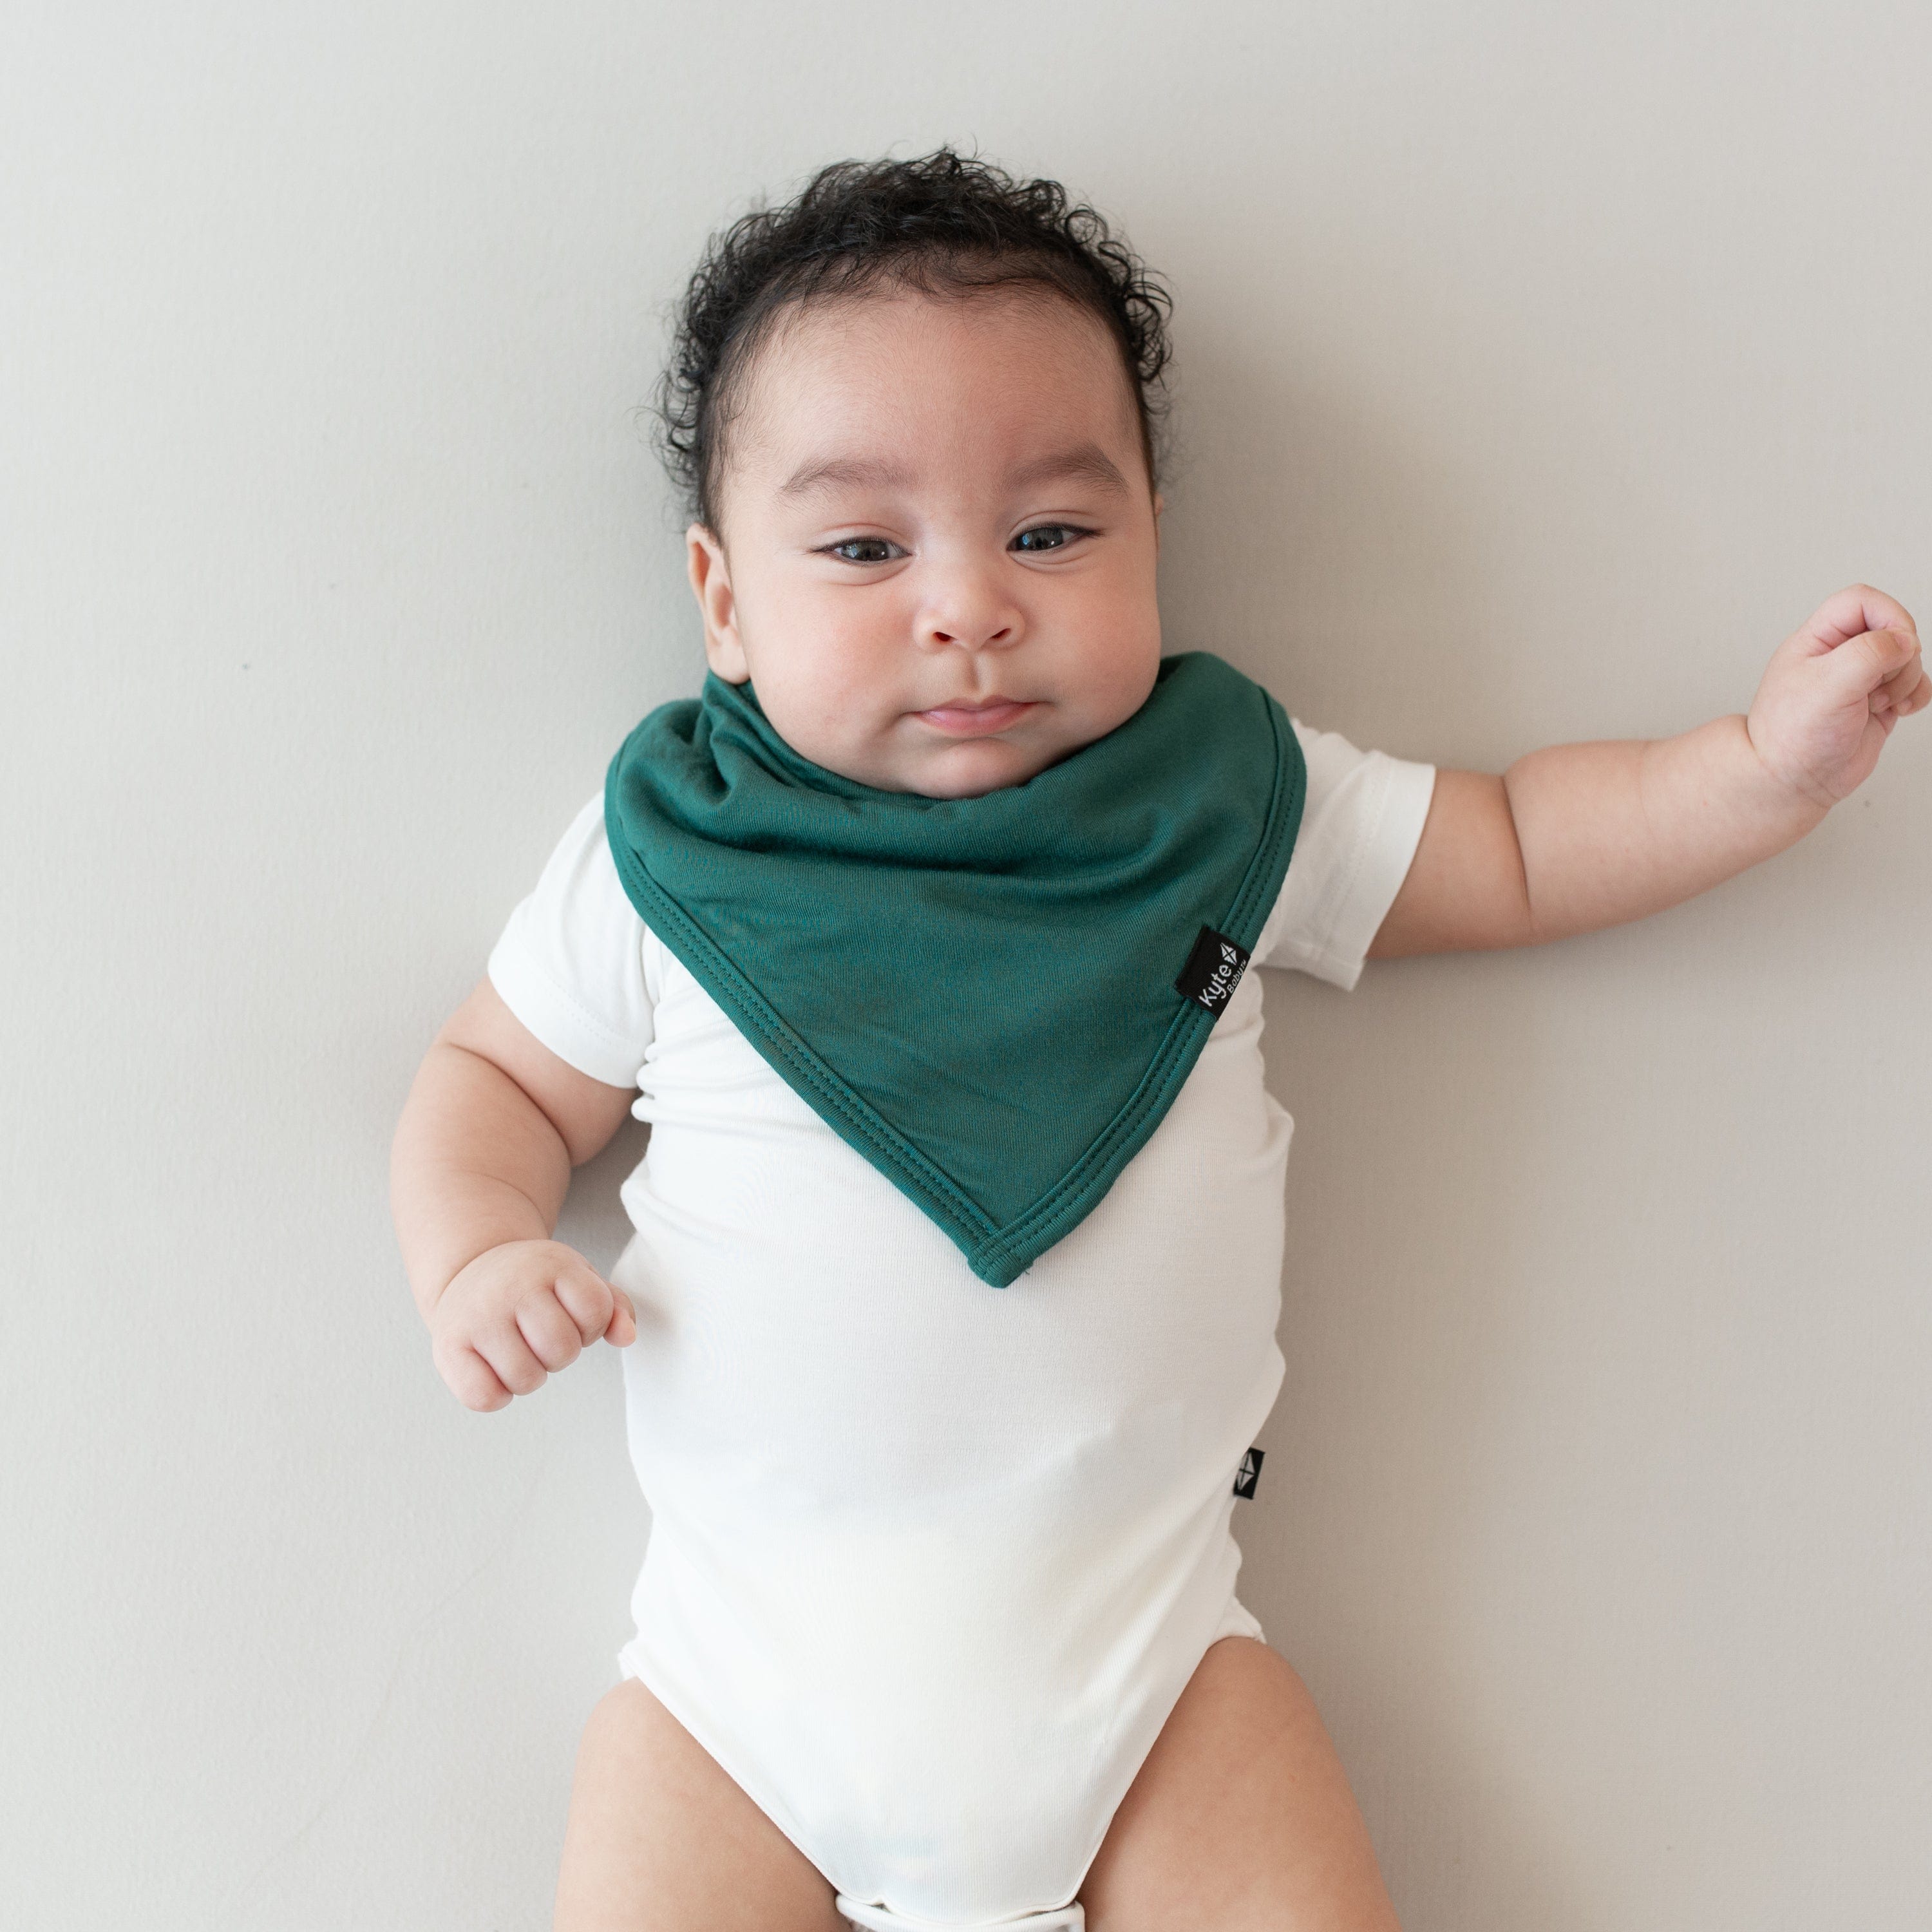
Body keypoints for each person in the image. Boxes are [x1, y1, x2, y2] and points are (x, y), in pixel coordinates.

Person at [388, 151, 1925, 1932]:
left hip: (1154, 1686)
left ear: (1153, 541)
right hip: (736, 1713)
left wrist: (1759, 771)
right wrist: (475, 1253)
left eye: (1050, 533)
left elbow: (1510, 849)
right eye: (866, 548)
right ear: (724, 599)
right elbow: (493, 1081)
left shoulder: (1220, 805)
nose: (968, 604)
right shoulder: (673, 859)